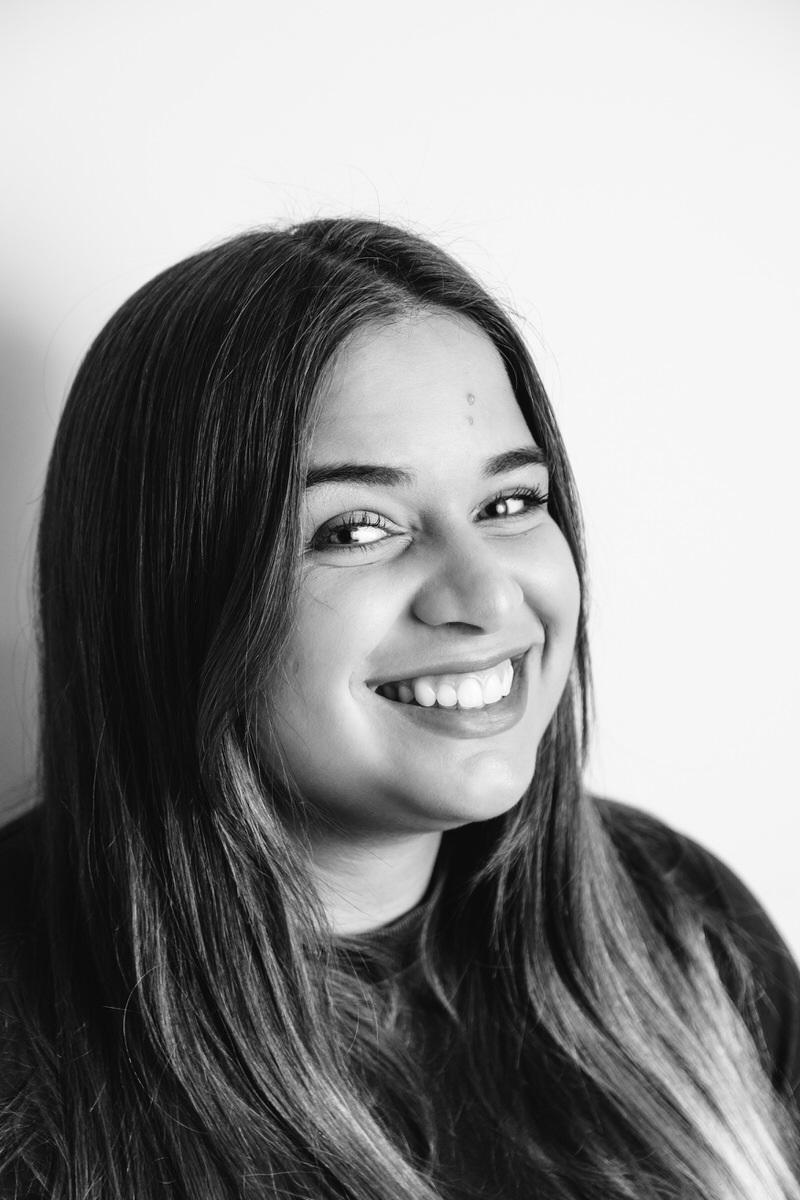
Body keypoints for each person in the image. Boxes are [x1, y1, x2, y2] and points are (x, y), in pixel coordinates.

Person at [0, 217, 798, 1200]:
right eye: (357, 528)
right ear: (166, 594)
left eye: (510, 504)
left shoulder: (681, 924)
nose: (487, 594)